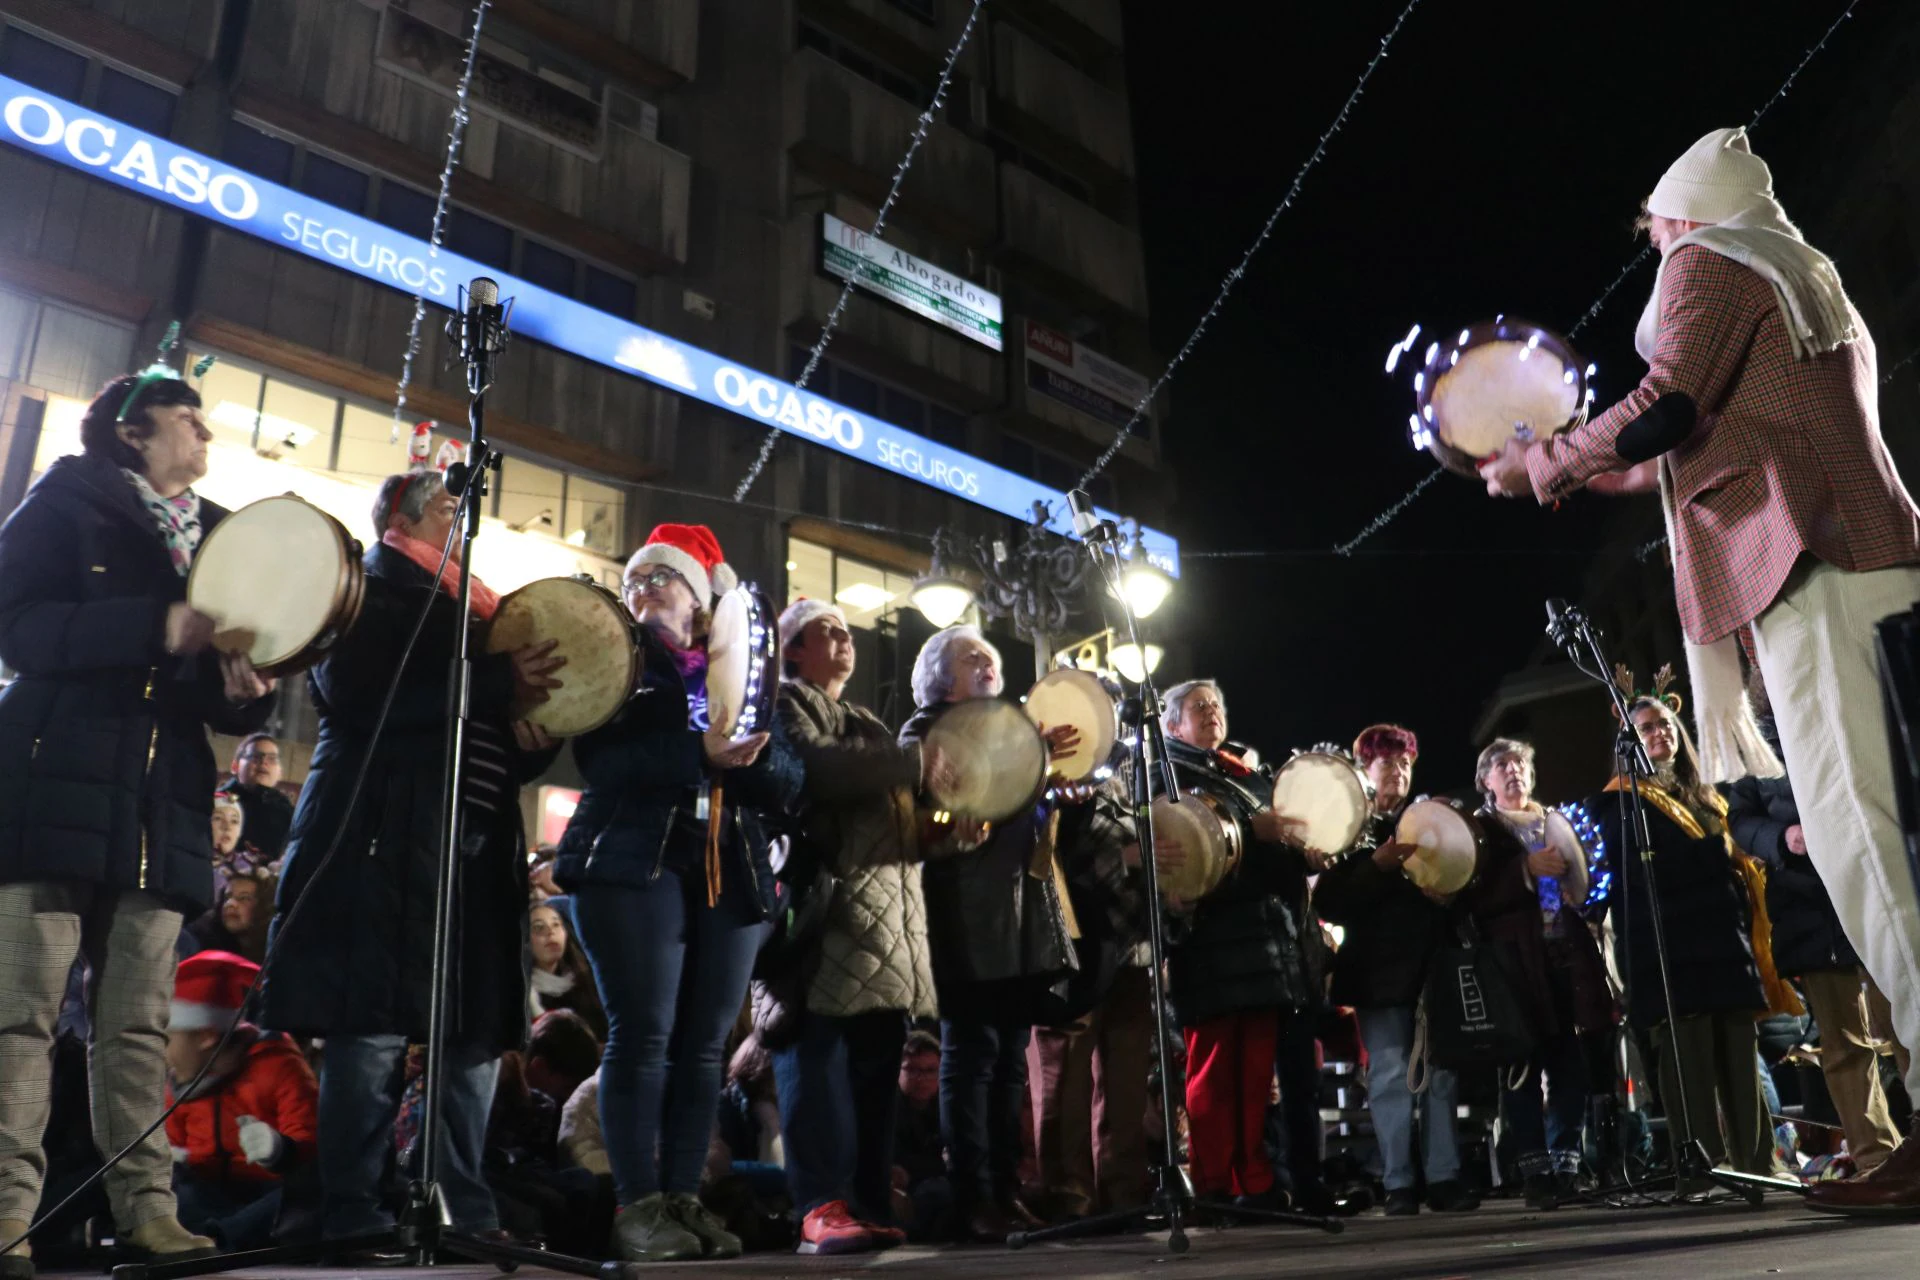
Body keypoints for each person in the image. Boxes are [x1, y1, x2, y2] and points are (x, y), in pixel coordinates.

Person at [1475, 126, 1920, 1211]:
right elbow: (1705, 433)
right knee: (1888, 840)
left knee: (1866, 846)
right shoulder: (1798, 273)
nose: (1655, 248)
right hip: (1862, 560)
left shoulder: (1709, 259)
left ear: (1685, 213)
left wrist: (1545, 461)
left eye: (1656, 227)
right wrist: (1588, 468)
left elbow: (1668, 402)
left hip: (1814, 566)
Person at [0, 369, 278, 1274]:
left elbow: (220, 692)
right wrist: (157, 624)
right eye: (188, 421)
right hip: (52, 790)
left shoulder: (219, 539)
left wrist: (245, 691)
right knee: (22, 1020)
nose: (205, 438)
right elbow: (19, 629)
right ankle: (5, 1220)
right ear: (131, 431)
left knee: (136, 1031)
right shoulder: (62, 504)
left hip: (163, 810)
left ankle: (148, 1216)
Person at [260, 469, 564, 1245]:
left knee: (470, 1033)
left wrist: (537, 732)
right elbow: (362, 693)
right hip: (383, 843)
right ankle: (352, 1210)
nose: (464, 511)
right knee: (374, 1029)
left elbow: (484, 729)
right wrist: (495, 681)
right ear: (405, 513)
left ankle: (460, 1205)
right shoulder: (371, 588)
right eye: (448, 501)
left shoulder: (480, 610)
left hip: (474, 846)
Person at [551, 524, 802, 1264]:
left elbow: (790, 780)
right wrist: (699, 749)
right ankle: (638, 1204)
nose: (644, 590)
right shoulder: (619, 657)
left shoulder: (749, 668)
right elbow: (601, 756)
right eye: (635, 581)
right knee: (644, 1035)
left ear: (703, 599)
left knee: (702, 1050)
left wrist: (741, 756)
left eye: (663, 579)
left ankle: (684, 1197)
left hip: (727, 863)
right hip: (632, 858)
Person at [762, 599, 951, 1255]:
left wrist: (945, 831)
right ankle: (821, 1204)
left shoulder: (870, 723)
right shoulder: (785, 702)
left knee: (873, 1077)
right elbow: (818, 770)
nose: (844, 638)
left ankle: (866, 1203)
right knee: (815, 1066)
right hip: (824, 924)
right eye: (827, 629)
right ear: (791, 650)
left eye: (847, 629)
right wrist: (910, 764)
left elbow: (896, 828)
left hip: (885, 931)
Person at [898, 625, 1076, 1241]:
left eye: (993, 660)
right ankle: (972, 1194)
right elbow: (929, 812)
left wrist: (1044, 769)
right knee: (970, 1059)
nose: (989, 667)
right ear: (941, 676)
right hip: (961, 917)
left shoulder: (1007, 733)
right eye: (974, 658)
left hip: (1015, 918)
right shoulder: (923, 732)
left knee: (1006, 1064)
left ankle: (1005, 1188)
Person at [1590, 683, 1778, 1184]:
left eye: (1666, 726)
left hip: (1724, 942)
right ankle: (1703, 1168)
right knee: (1686, 1063)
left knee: (1740, 1058)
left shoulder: (1708, 794)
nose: (1659, 735)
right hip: (1666, 949)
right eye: (1647, 728)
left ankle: (1758, 1165)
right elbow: (1641, 873)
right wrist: (1717, 855)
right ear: (1628, 740)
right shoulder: (1617, 803)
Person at [1726, 672, 1903, 1175]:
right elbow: (1740, 820)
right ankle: (1876, 1160)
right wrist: (1783, 839)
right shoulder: (1750, 743)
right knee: (1844, 1042)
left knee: (1906, 1026)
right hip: (1808, 905)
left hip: (1871, 888)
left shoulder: (1840, 701)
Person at [1154, 680, 1320, 1216]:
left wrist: (1302, 854)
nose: (1211, 713)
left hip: (1264, 943)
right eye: (1197, 707)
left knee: (1255, 1077)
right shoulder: (1168, 772)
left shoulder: (1245, 771)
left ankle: (1255, 1176)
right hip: (1212, 944)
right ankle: (1212, 1183)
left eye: (1216, 705)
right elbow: (1194, 845)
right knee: (1212, 1071)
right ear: (1172, 724)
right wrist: (1256, 829)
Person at [1313, 725, 1477, 1216]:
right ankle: (1399, 1182)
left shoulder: (1431, 820)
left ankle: (1444, 1176)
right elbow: (1330, 901)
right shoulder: (1347, 829)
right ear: (1367, 769)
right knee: (1388, 1075)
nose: (1398, 772)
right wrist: (1379, 865)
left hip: (1432, 967)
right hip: (1379, 974)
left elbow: (1466, 878)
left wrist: (1450, 893)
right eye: (1388, 763)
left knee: (1442, 1074)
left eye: (1405, 763)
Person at [1471, 739, 1613, 1207]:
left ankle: (1567, 1164)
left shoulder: (1556, 822)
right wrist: (1525, 870)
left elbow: (1587, 881)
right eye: (1501, 765)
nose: (1513, 771)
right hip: (1514, 962)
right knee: (1521, 1068)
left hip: (1565, 957)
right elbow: (1474, 895)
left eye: (1520, 764)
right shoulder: (1481, 831)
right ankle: (1535, 1171)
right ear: (1486, 781)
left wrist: (1580, 891)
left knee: (1570, 1065)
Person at [165, 951, 318, 1251]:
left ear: (206, 1036)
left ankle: (217, 1240)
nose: (164, 1051)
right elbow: (176, 1145)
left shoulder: (277, 1064)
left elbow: (311, 1145)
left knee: (315, 1188)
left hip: (265, 1195)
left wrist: (279, 1150)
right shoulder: (181, 1079)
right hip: (209, 1195)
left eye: (170, 1037)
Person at [528, 903, 607, 1043]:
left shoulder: (585, 980)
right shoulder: (526, 995)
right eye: (539, 928)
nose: (550, 932)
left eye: (556, 924)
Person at [218, 735, 293, 864]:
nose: (264, 762)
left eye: (272, 759)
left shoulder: (287, 811)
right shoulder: (217, 803)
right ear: (235, 766)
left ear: (280, 772)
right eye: (255, 756)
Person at [183, 871, 273, 964]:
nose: (230, 904)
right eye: (227, 897)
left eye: (244, 898)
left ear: (262, 906)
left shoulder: (273, 947)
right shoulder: (197, 939)